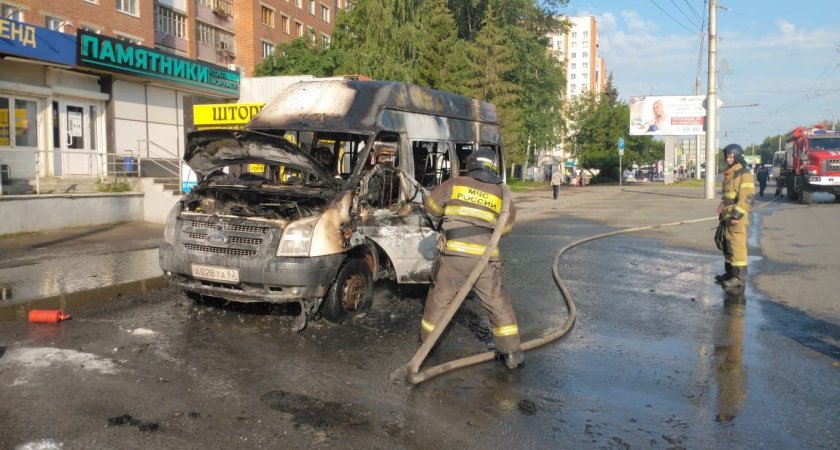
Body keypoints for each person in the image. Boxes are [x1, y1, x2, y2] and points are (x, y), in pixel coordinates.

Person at [420, 148, 524, 370]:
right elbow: (505, 229)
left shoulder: (455, 183)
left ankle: (426, 347)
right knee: (498, 304)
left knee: (439, 300)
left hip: (454, 255)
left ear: (471, 164)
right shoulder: (502, 193)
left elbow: (431, 207)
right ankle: (512, 354)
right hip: (486, 259)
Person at [714, 143, 756, 289]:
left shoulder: (744, 174)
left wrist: (736, 215)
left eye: (731, 156)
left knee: (737, 246)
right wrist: (722, 210)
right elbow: (728, 196)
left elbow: (748, 197)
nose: (728, 158)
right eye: (727, 156)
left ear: (737, 156)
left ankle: (738, 277)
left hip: (736, 217)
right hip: (727, 215)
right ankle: (730, 273)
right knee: (727, 245)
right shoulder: (730, 172)